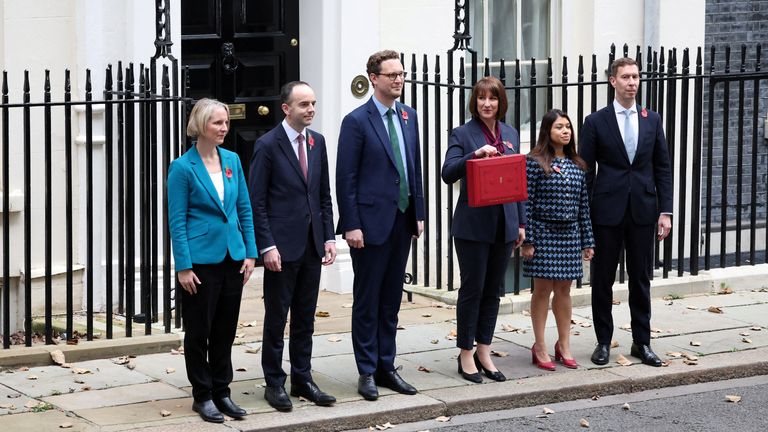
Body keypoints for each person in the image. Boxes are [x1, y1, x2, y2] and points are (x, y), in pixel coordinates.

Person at [336, 50, 425, 401]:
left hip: (401, 220)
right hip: (369, 225)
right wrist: (352, 224)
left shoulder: (409, 116)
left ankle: (388, 366)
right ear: (374, 78)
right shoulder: (357, 121)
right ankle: (367, 370)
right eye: (391, 75)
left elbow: (412, 167)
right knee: (368, 300)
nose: (398, 80)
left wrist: (418, 212)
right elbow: (347, 177)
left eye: (401, 74)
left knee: (391, 301)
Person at [167, 98, 257, 423]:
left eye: (226, 123)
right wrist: (183, 266)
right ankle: (202, 395)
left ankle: (223, 391)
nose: (224, 128)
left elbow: (243, 208)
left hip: (233, 257)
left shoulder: (232, 160)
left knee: (225, 330)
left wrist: (250, 252)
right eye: (218, 123)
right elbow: (177, 221)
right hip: (201, 262)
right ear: (201, 125)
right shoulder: (182, 168)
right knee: (198, 330)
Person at [249, 81, 337, 412]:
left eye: (313, 103)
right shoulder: (267, 145)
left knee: (305, 318)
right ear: (286, 109)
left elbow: (323, 195)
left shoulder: (318, 142)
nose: (311, 110)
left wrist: (328, 236)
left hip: (312, 245)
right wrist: (267, 246)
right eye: (304, 105)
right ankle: (274, 382)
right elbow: (257, 201)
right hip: (281, 250)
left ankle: (303, 378)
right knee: (276, 318)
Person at [579, 57, 673, 367]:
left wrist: (666, 211)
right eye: (626, 77)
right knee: (602, 278)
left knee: (640, 278)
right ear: (613, 81)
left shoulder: (652, 119)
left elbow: (662, 167)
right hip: (606, 211)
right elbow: (585, 172)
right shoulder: (595, 122)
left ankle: (641, 342)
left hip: (643, 211)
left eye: (635, 77)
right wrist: (587, 214)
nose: (632, 82)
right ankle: (603, 341)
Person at [441, 76, 526, 384]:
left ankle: (484, 350)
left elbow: (518, 179)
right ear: (474, 103)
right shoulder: (462, 134)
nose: (486, 104)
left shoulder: (511, 133)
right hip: (472, 226)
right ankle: (465, 352)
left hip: (504, 224)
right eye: (481, 99)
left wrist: (520, 222)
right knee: (473, 289)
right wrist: (474, 155)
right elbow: (447, 172)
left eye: (492, 98)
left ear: (500, 102)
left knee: (494, 292)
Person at [522, 109, 595, 371]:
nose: (565, 132)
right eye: (559, 128)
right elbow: (526, 202)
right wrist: (528, 239)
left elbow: (583, 206)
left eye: (568, 127)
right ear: (547, 131)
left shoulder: (578, 164)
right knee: (542, 290)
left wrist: (588, 241)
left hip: (569, 235)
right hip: (542, 234)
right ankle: (539, 345)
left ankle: (564, 345)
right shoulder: (534, 161)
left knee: (564, 290)